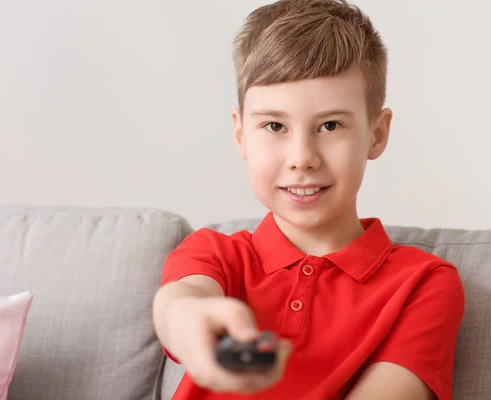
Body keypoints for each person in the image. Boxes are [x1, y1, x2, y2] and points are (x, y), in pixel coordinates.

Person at [152, 0, 465, 399]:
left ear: (377, 133)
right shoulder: (212, 252)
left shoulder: (423, 284)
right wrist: (197, 319)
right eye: (274, 125)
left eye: (330, 125)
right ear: (241, 134)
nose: (302, 158)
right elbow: (179, 304)